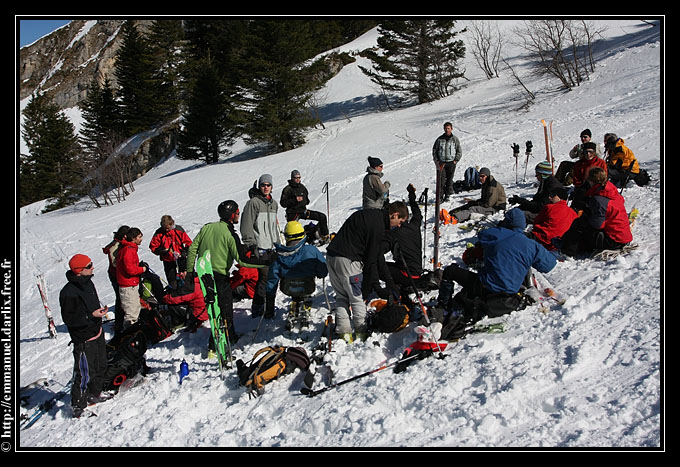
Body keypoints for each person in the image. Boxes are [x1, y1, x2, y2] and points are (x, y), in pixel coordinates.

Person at [436, 208, 557, 327]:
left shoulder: (493, 235)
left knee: (450, 271)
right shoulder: (531, 245)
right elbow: (549, 265)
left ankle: (443, 306)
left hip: (485, 287)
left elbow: (482, 235)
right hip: (510, 292)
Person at [186, 200, 272, 345]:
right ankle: (226, 338)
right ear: (232, 215)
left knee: (212, 309)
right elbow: (242, 261)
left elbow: (192, 248)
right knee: (225, 309)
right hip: (220, 276)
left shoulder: (207, 228)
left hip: (204, 276)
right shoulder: (230, 234)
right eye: (237, 213)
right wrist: (267, 261)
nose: (238, 215)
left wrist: (189, 271)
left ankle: (220, 337)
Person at [326, 201, 408, 342]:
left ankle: (344, 335)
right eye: (400, 221)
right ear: (394, 214)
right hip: (349, 260)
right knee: (356, 298)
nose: (399, 225)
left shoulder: (370, 214)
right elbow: (372, 259)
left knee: (341, 297)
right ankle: (361, 333)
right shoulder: (378, 225)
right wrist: (374, 286)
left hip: (332, 257)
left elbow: (375, 257)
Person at [59, 254, 112, 418]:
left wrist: (98, 313)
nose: (93, 268)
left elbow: (91, 308)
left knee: (100, 365)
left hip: (96, 332)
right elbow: (70, 319)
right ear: (79, 271)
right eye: (89, 266)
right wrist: (91, 315)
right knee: (84, 373)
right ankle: (78, 406)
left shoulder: (88, 283)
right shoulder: (68, 292)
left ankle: (94, 394)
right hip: (83, 338)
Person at [559, 167, 633, 257]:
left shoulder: (599, 199)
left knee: (579, 225)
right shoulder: (610, 190)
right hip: (623, 236)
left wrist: (587, 218)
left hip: (614, 241)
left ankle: (568, 252)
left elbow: (598, 224)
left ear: (591, 181)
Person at [266, 221, 328, 319]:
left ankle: (295, 299)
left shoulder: (278, 256)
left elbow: (272, 280)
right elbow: (323, 270)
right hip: (308, 286)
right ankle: (304, 298)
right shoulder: (311, 250)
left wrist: (269, 306)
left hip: (287, 288)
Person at [241, 174, 281, 319]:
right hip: (260, 248)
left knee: (273, 278)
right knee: (265, 279)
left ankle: (269, 306)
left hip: (272, 248)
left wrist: (278, 244)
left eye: (268, 185)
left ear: (271, 187)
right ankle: (259, 307)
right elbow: (246, 225)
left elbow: (273, 227)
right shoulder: (254, 203)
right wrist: (251, 245)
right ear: (259, 186)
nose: (266, 187)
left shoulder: (274, 204)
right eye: (263, 185)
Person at [379, 184, 424, 304]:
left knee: (377, 265)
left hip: (407, 275)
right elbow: (417, 213)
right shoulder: (414, 225)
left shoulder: (394, 233)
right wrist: (412, 196)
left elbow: (380, 250)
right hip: (417, 273)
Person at [280, 169, 330, 244]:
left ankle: (324, 236)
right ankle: (294, 243)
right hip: (292, 213)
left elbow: (306, 200)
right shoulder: (288, 189)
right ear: (292, 178)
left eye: (299, 177)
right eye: (296, 178)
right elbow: (283, 203)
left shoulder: (302, 187)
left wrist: (305, 201)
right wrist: (295, 200)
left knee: (322, 217)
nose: (298, 179)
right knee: (293, 230)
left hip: (303, 211)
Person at [528, 186, 578, 254]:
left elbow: (537, 221)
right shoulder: (573, 213)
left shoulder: (549, 207)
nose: (549, 198)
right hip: (558, 244)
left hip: (542, 239)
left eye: (552, 195)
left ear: (560, 197)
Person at [149, 215, 192, 289]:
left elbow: (189, 243)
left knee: (186, 279)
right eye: (165, 228)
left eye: (169, 228)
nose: (167, 230)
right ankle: (174, 294)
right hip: (168, 260)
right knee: (172, 282)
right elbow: (153, 247)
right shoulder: (159, 233)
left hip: (181, 258)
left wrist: (185, 251)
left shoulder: (178, 230)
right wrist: (161, 251)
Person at [116, 227, 147, 329]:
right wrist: (142, 269)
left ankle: (135, 333)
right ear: (133, 238)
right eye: (139, 237)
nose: (141, 239)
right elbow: (130, 269)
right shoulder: (128, 250)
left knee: (135, 308)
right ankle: (129, 335)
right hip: (127, 286)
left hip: (131, 284)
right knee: (131, 313)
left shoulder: (130, 248)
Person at [102, 225, 129, 336]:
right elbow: (114, 263)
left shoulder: (119, 244)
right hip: (116, 275)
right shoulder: (115, 246)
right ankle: (119, 323)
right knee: (120, 298)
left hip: (120, 274)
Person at [569, 141, 608, 211]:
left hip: (598, 187)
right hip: (583, 188)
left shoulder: (601, 163)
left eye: (591, 152)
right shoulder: (579, 164)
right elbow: (576, 179)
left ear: (594, 153)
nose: (588, 154)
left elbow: (604, 177)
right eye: (586, 152)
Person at [432, 122, 463, 202]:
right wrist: (437, 160)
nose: (447, 130)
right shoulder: (439, 139)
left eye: (448, 128)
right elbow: (435, 150)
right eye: (446, 128)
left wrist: (456, 160)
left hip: (451, 162)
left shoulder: (454, 139)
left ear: (451, 129)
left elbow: (459, 151)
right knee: (441, 181)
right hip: (442, 163)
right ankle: (440, 196)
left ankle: (448, 195)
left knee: (449, 180)